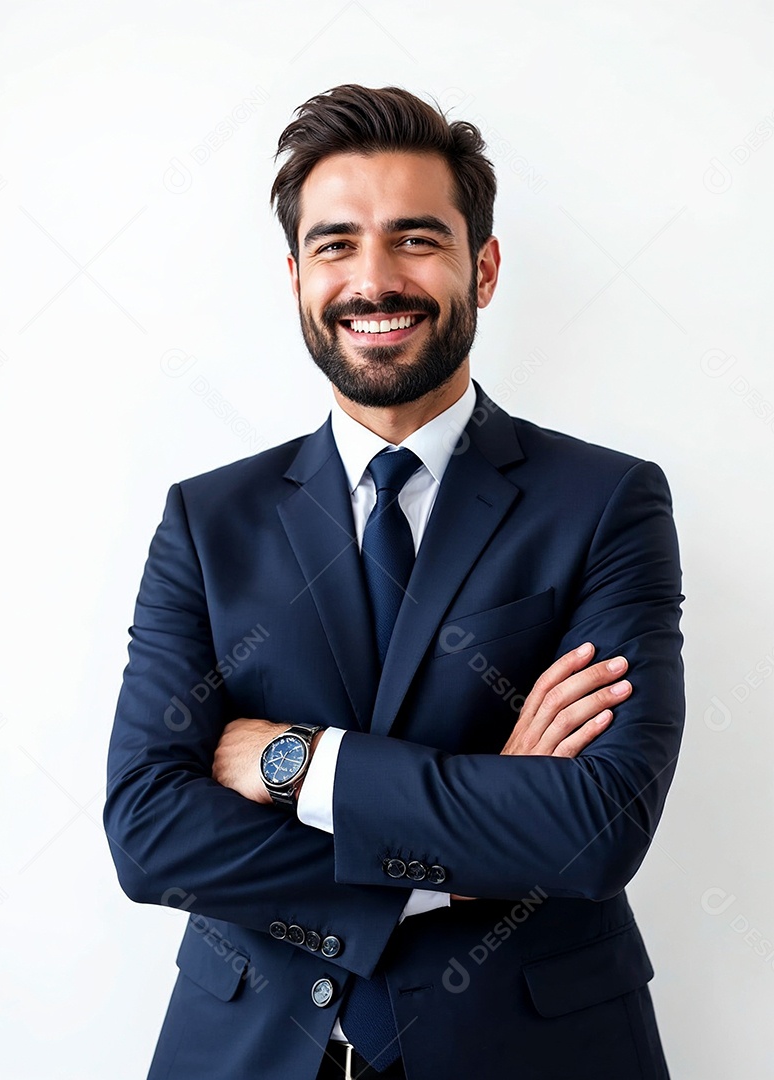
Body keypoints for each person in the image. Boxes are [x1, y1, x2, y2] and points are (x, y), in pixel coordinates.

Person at [104, 84, 684, 1080]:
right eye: (335, 245)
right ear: (296, 277)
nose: (373, 280)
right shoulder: (208, 521)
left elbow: (594, 827)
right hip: (247, 1045)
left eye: (416, 239)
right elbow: (150, 833)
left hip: (534, 1049)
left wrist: (300, 766)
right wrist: (470, 851)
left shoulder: (607, 502)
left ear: (483, 267)